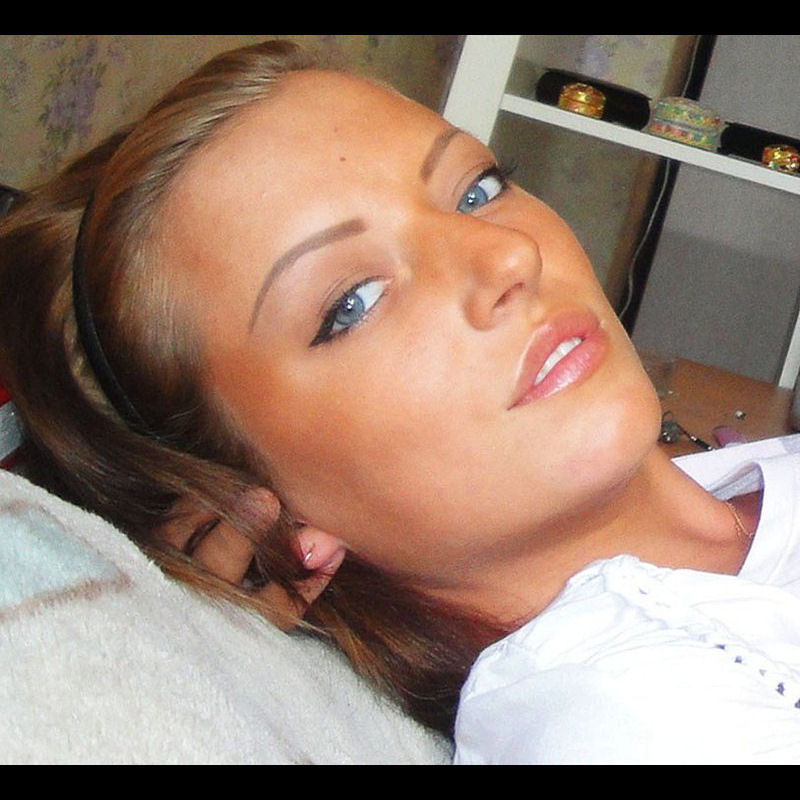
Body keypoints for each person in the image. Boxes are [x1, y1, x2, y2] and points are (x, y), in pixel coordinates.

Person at [1, 39, 799, 764]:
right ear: (249, 503)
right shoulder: (641, 721)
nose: (508, 256)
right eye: (352, 302)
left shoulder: (745, 504)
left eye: (477, 190)